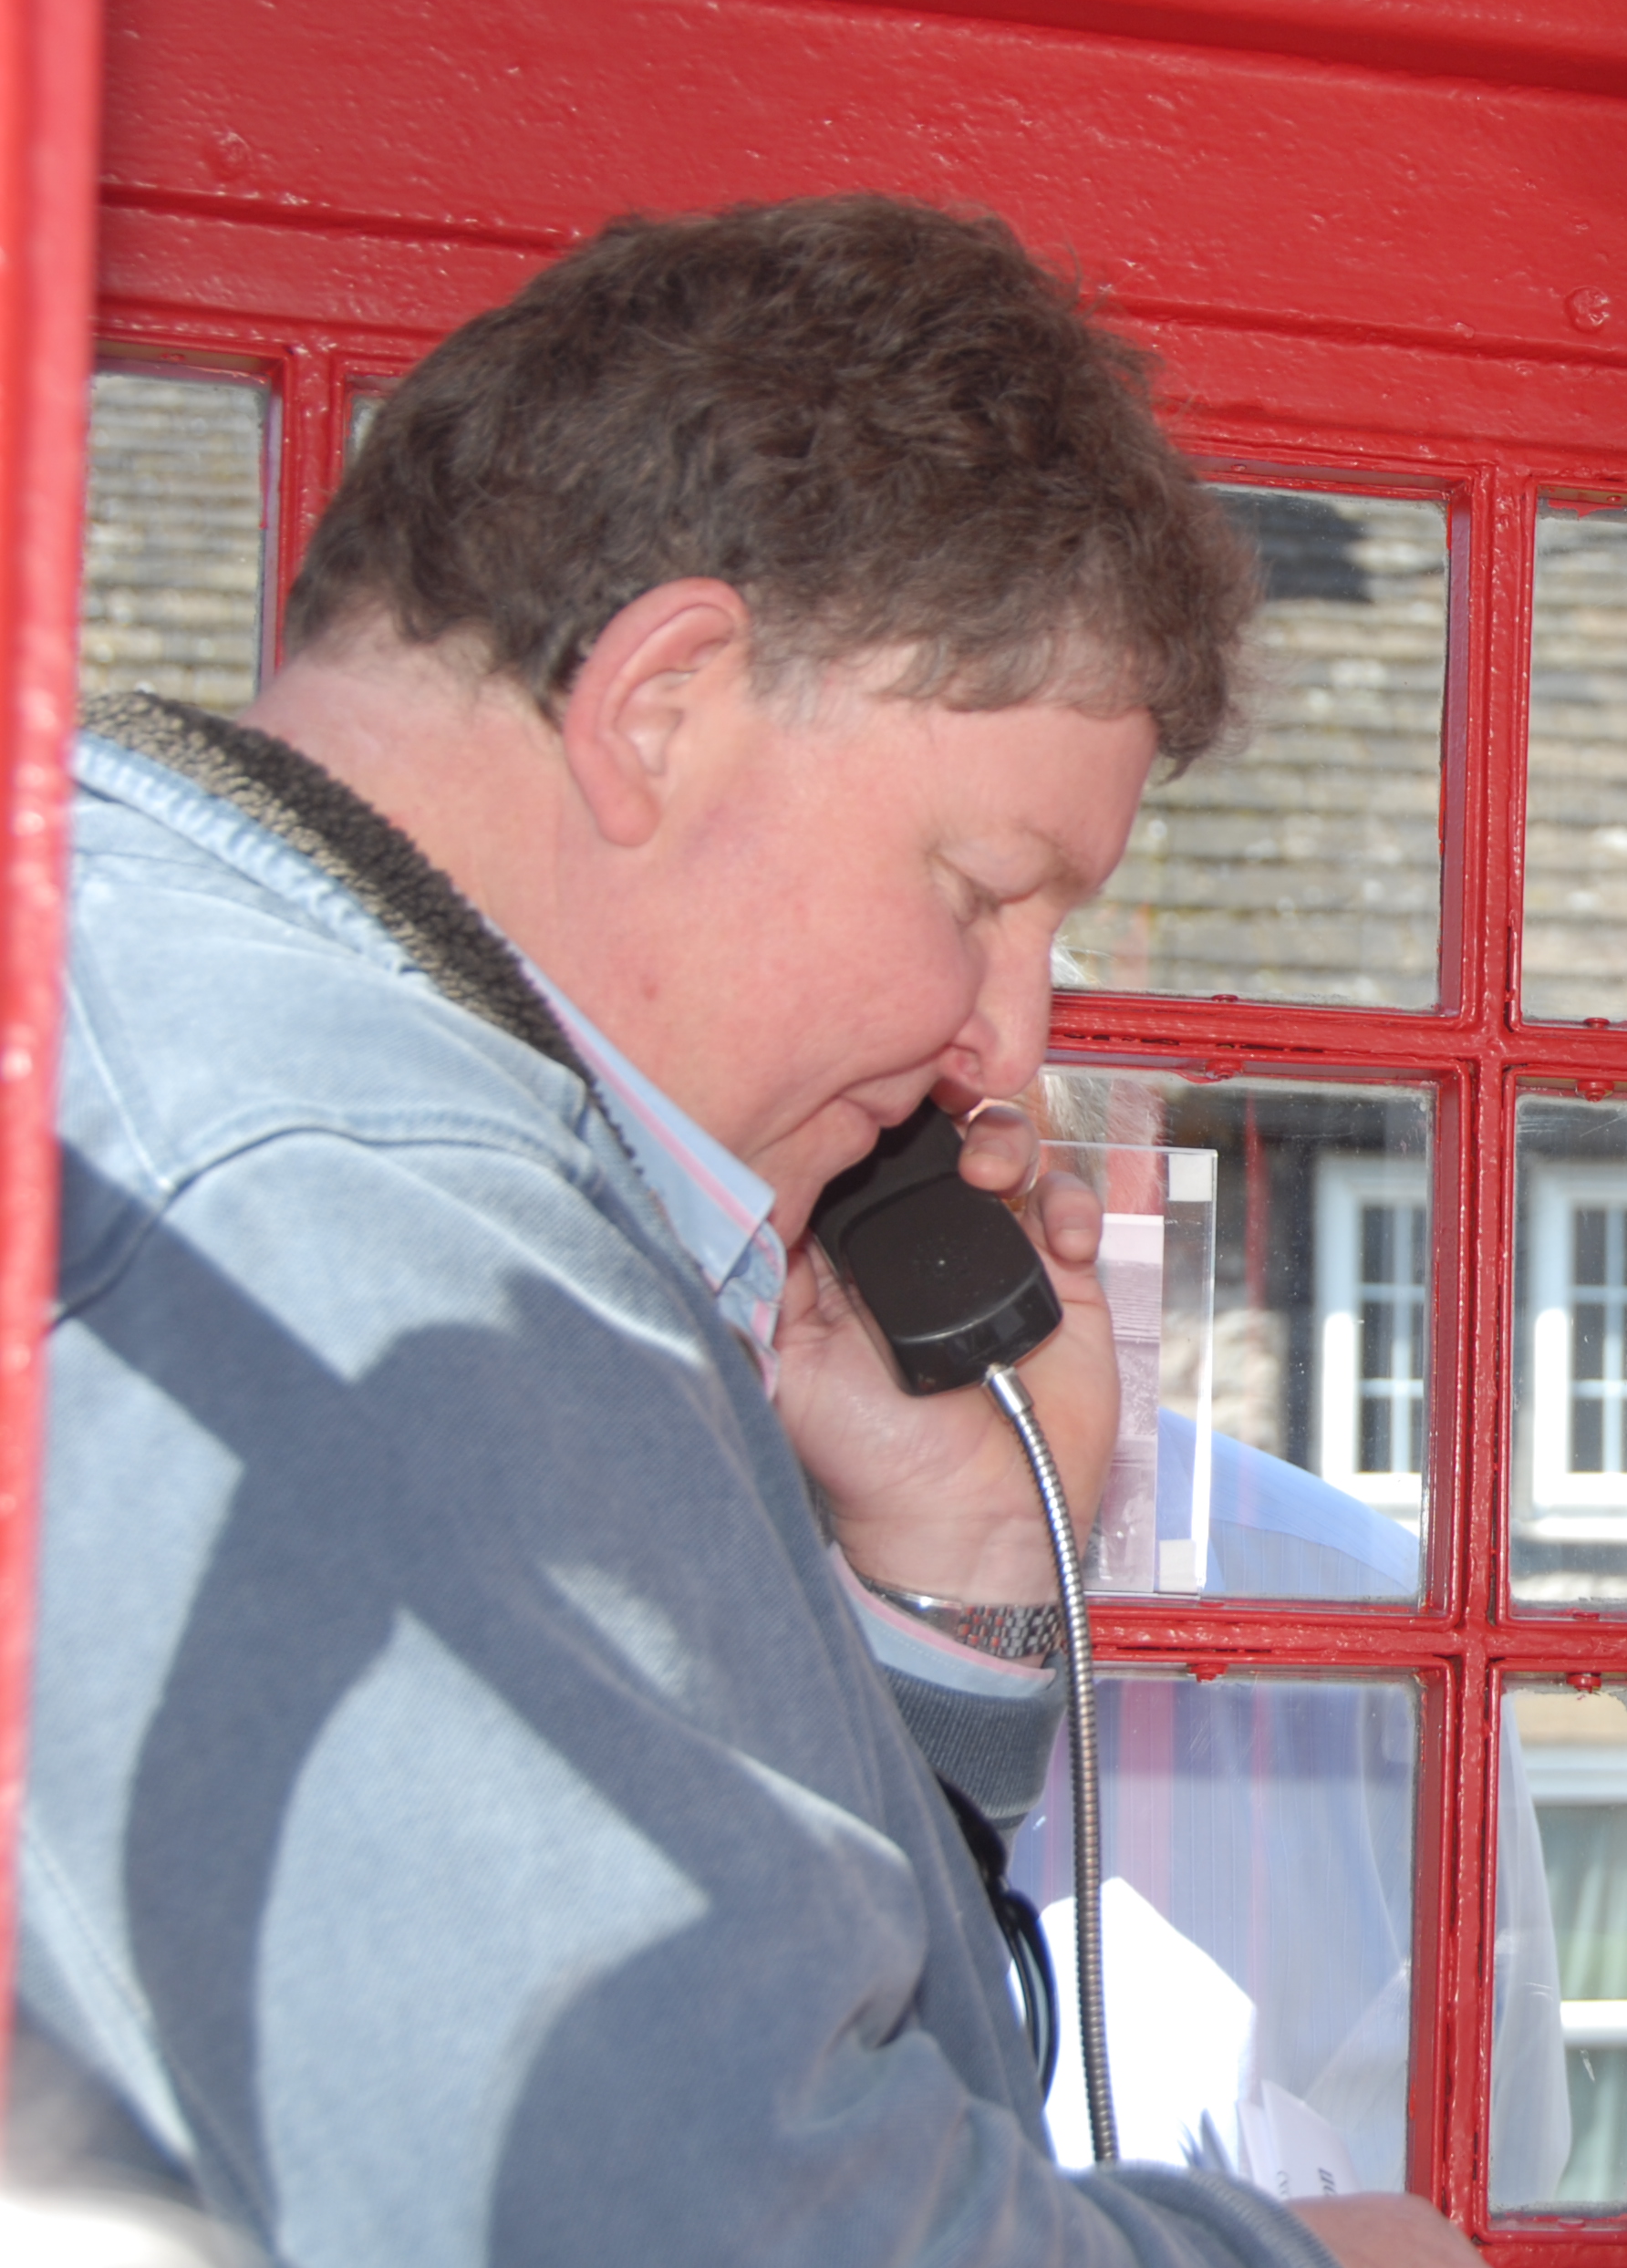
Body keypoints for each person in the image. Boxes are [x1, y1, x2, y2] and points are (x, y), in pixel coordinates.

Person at [11, 196, 1480, 2268]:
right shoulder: (349, 1212)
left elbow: (698, 2040)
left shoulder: (198, 1049)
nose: (1004, 1048)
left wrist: (952, 1589)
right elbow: (687, 2221)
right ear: (662, 703)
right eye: (978, 891)